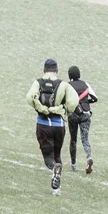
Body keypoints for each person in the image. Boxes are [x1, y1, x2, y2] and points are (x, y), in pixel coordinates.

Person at [28, 58, 79, 193]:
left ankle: (54, 168)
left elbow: (30, 97)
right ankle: (56, 188)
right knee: (57, 154)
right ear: (56, 71)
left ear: (44, 70)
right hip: (59, 125)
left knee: (48, 157)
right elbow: (74, 101)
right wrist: (64, 109)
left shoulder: (38, 82)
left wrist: (41, 108)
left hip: (43, 123)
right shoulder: (64, 85)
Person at [65, 65, 96, 175]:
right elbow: (94, 98)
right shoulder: (85, 84)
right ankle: (89, 158)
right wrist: (85, 102)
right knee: (85, 139)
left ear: (69, 75)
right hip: (86, 114)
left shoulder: (67, 85)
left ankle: (73, 164)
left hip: (73, 114)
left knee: (73, 140)